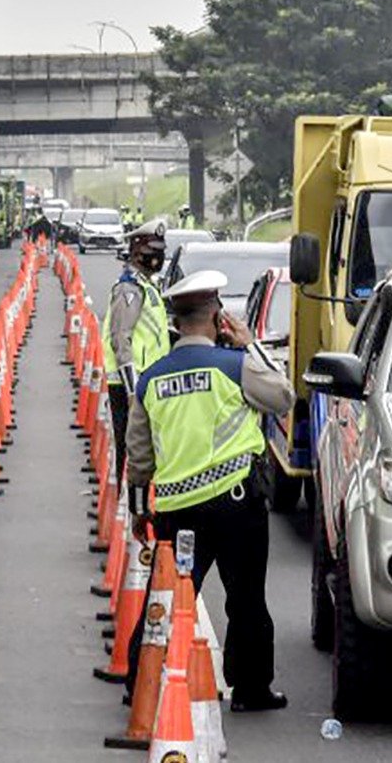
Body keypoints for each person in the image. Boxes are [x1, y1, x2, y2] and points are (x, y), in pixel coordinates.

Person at [125, 270, 293, 711]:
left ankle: (140, 680)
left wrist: (140, 512)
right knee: (246, 601)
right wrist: (249, 344)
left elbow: (138, 457)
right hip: (238, 508)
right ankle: (251, 689)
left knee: (169, 596)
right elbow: (284, 397)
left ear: (174, 322)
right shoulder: (235, 367)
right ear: (218, 317)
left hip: (178, 513)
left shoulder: (151, 380)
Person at [101, 218, 171, 490]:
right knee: (131, 451)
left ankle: (134, 508)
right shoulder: (129, 288)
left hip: (146, 384)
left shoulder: (146, 286)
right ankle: (126, 511)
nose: (159, 256)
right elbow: (121, 339)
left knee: (143, 449)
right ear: (138, 251)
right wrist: (133, 392)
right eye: (154, 250)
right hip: (129, 387)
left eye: (161, 250)